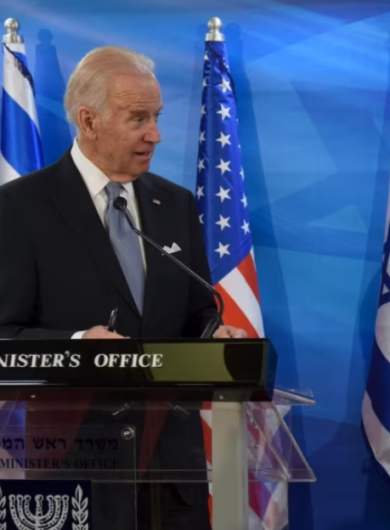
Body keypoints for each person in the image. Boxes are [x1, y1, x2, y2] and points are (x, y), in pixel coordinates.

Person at [0, 46, 247, 528]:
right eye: (138, 118)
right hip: (75, 471)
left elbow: (198, 312)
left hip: (171, 475)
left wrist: (214, 336)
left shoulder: (174, 204)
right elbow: (3, 336)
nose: (155, 134)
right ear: (88, 121)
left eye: (156, 116)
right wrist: (77, 346)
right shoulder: (19, 208)